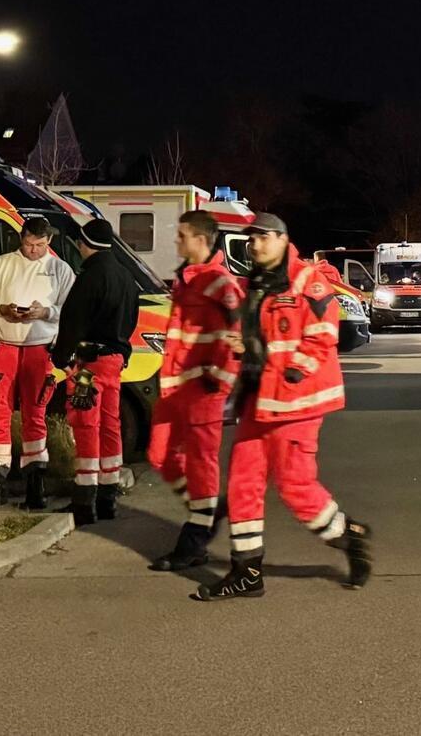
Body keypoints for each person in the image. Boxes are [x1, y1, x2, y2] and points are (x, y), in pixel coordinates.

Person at [193, 212, 372, 601]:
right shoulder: (252, 284)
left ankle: (349, 537)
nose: (255, 246)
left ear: (281, 239)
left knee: (295, 487)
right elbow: (245, 334)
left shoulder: (308, 282)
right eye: (251, 240)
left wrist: (277, 361)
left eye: (262, 239)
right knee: (242, 483)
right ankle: (247, 572)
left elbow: (322, 336)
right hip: (259, 400)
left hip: (298, 402)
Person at [148, 210, 243, 571]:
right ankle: (205, 512)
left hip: (203, 390)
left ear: (202, 240)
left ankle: (193, 541)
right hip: (175, 388)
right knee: (160, 457)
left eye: (183, 235)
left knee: (202, 467)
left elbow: (236, 338)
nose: (177, 241)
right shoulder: (187, 279)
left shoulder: (220, 283)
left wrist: (217, 381)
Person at [0, 216, 76, 510]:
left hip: (39, 349)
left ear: (49, 241)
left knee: (35, 414)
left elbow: (71, 309)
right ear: (21, 238)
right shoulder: (1, 265)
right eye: (29, 244)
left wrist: (46, 312)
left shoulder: (59, 269)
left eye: (39, 245)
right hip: (3, 347)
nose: (33, 250)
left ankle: (35, 484)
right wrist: (1, 308)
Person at [52, 219, 139, 527]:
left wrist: (61, 358)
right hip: (115, 361)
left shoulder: (90, 277)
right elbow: (130, 321)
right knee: (110, 425)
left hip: (88, 365)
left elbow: (72, 321)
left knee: (85, 422)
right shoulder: (126, 277)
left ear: (85, 244)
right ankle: (107, 497)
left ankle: (84, 501)